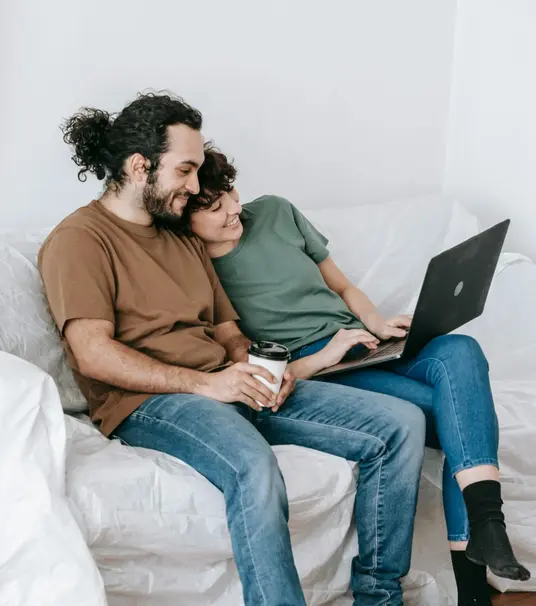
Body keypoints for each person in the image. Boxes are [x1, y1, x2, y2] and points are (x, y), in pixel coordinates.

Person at [38, 92, 427, 606]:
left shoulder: (181, 239)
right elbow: (92, 354)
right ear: (139, 166)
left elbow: (227, 332)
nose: (196, 187)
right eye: (186, 170)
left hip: (229, 383)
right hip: (151, 403)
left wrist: (260, 369)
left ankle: (380, 597)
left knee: (400, 425)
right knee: (254, 465)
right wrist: (207, 383)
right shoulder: (80, 240)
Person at [186, 145, 532, 606]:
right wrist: (329, 352)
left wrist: (376, 325)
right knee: (463, 414)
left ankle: (487, 527)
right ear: (184, 217)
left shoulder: (275, 212)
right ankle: (474, 581)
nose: (233, 209)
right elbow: (259, 369)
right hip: (322, 367)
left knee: (460, 348)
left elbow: (342, 285)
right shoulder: (195, 268)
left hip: (360, 343)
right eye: (214, 207)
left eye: (230, 192)